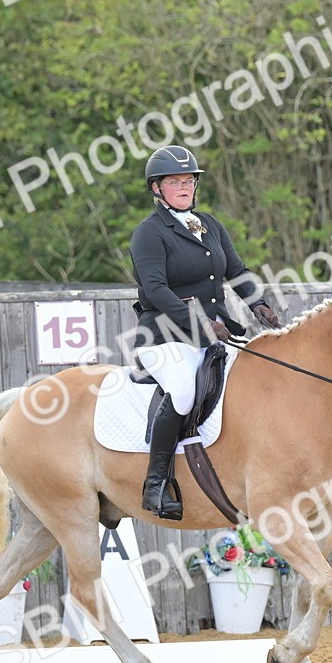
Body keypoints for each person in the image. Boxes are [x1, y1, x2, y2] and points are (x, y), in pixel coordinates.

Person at [129, 145, 280, 521]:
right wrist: (198, 322)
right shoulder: (148, 234)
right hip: (164, 336)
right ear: (157, 189)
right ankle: (156, 482)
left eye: (189, 181)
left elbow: (236, 270)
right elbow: (156, 290)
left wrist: (256, 303)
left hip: (215, 334)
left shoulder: (209, 224)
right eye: (175, 181)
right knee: (182, 392)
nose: (184, 187)